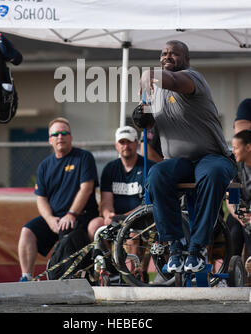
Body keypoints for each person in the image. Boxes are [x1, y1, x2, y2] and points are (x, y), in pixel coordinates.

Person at [136, 40, 237, 274]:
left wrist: (147, 73)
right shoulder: (155, 90)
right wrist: (142, 117)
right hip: (178, 162)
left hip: (212, 157)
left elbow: (172, 81)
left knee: (212, 173)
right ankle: (176, 245)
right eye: (163, 53)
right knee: (157, 174)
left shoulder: (191, 78)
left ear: (187, 60)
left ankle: (198, 247)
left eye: (174, 53)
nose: (167, 56)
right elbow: (149, 121)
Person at [18, 117, 99, 281]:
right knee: (27, 232)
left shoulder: (84, 158)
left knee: (67, 232)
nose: (60, 137)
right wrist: (49, 219)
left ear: (71, 137)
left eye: (64, 133)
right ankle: (26, 278)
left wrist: (71, 214)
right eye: (55, 134)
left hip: (79, 216)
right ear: (50, 140)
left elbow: (87, 188)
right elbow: (41, 198)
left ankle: (74, 278)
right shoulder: (44, 166)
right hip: (55, 218)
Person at [87, 126, 155, 241]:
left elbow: (148, 203)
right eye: (122, 142)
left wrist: (125, 218)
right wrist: (108, 214)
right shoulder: (110, 168)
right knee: (94, 226)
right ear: (116, 145)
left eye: (129, 141)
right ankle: (105, 258)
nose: (126, 146)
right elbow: (106, 200)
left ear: (136, 143)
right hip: (116, 219)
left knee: (132, 237)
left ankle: (130, 260)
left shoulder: (149, 167)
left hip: (141, 219)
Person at [227, 130, 251, 277]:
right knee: (235, 227)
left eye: (236, 147)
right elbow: (232, 200)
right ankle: (232, 272)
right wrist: (240, 215)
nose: (233, 151)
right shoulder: (237, 170)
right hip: (242, 212)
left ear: (248, 147)